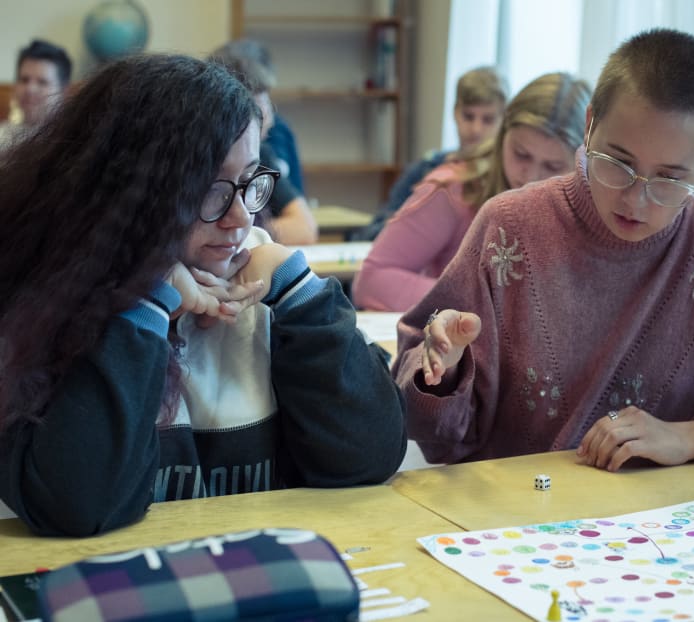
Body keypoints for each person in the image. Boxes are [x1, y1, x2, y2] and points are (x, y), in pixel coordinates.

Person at [0, 54, 407, 537]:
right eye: (209, 189)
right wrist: (147, 296)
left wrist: (297, 287)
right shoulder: (41, 306)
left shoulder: (265, 282)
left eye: (248, 182)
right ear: (131, 193)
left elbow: (369, 458)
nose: (240, 218)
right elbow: (79, 507)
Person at [393, 28, 694, 470]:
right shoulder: (508, 227)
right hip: (517, 520)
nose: (635, 199)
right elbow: (438, 435)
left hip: (664, 523)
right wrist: (443, 372)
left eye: (670, 180)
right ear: (589, 126)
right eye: (617, 163)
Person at [352, 72, 591, 311]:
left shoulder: (595, 210)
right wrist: (478, 305)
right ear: (502, 136)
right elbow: (371, 280)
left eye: (553, 166)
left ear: (583, 162)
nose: (530, 178)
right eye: (521, 154)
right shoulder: (454, 190)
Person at [351, 66, 509, 242]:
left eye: (488, 120)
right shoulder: (427, 168)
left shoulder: (508, 177)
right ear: (455, 112)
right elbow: (373, 232)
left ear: (503, 120)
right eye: (468, 116)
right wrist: (414, 221)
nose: (476, 129)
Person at [209, 43, 318, 244]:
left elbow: (304, 228)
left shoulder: (262, 154)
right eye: (261, 106)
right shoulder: (202, 155)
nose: (269, 118)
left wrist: (248, 232)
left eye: (267, 104)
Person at [0, 39, 72, 148]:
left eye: (42, 82)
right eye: (24, 80)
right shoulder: (3, 135)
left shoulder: (72, 141)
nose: (30, 89)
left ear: (64, 91)